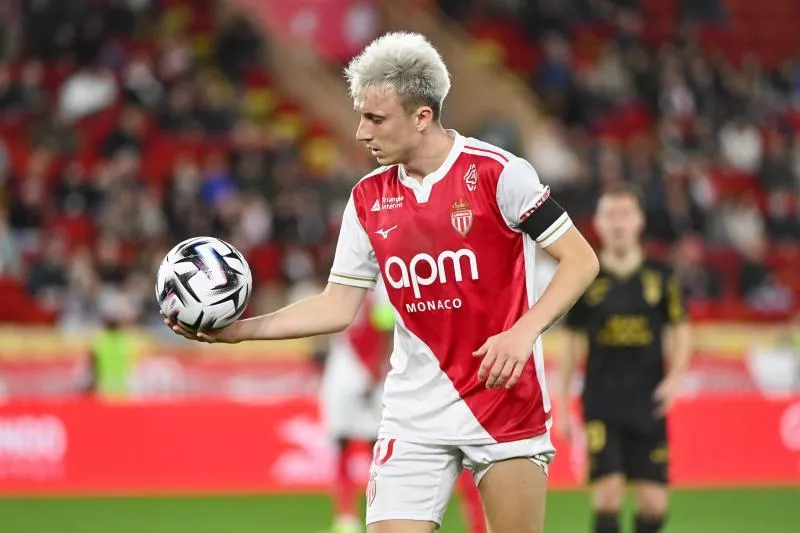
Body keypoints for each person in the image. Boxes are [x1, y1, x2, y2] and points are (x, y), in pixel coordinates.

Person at [165, 31, 599, 533]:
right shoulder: (367, 199)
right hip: (412, 411)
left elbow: (581, 260)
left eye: (375, 119)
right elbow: (336, 306)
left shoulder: (499, 174)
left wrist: (525, 331)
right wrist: (238, 331)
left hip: (503, 400)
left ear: (421, 117)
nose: (360, 133)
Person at [558, 183, 693, 533]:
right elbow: (570, 342)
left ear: (639, 222)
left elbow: (680, 328)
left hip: (648, 402)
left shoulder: (662, 276)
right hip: (601, 402)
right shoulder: (584, 277)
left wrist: (675, 376)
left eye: (625, 214)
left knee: (654, 505)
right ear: (598, 224)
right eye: (610, 215)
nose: (618, 223)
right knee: (608, 495)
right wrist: (562, 408)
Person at [322, 281, 487, 533]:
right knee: (346, 442)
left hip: (381, 376)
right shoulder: (350, 288)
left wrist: (375, 372)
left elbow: (386, 330)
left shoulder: (382, 289)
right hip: (349, 372)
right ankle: (347, 518)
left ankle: (363, 515)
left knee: (377, 446)